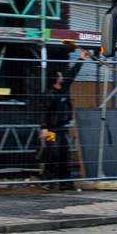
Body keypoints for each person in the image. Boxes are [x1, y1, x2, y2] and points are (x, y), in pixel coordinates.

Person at [38, 60, 81, 188]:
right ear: (55, 79)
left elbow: (72, 73)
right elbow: (44, 111)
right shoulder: (49, 94)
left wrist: (81, 59)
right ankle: (48, 180)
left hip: (62, 128)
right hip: (52, 129)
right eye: (59, 75)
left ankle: (65, 181)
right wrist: (44, 127)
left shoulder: (64, 88)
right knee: (53, 153)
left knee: (64, 154)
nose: (62, 76)